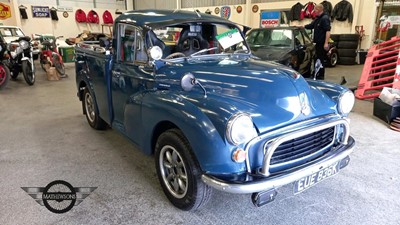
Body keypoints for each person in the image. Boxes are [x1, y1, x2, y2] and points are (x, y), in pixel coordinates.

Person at [304, 4, 331, 80]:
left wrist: (326, 43)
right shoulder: (317, 18)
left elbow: (328, 31)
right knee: (317, 59)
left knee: (321, 60)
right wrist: (302, 26)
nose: (314, 11)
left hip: (322, 43)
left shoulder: (324, 18)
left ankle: (320, 76)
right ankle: (317, 73)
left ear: (319, 10)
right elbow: (311, 25)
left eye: (315, 10)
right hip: (317, 43)